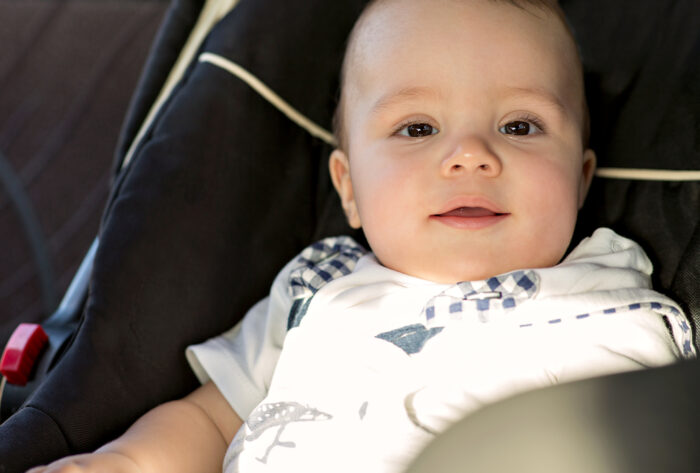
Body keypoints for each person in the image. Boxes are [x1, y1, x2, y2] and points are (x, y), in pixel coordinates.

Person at [29, 0, 695, 472]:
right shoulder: (316, 291)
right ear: (347, 186)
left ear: (581, 179)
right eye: (417, 129)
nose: (468, 156)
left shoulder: (606, 302)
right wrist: (122, 461)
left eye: (519, 126)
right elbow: (210, 420)